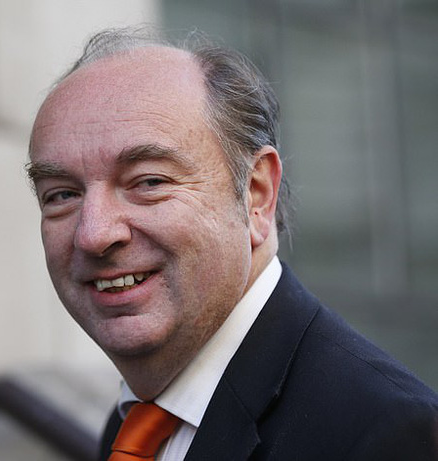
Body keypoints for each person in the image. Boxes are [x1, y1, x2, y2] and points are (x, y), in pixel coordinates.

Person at [26, 27, 438, 460]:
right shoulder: (133, 426)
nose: (93, 234)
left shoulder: (385, 433)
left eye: (149, 181)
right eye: (62, 195)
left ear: (257, 194)